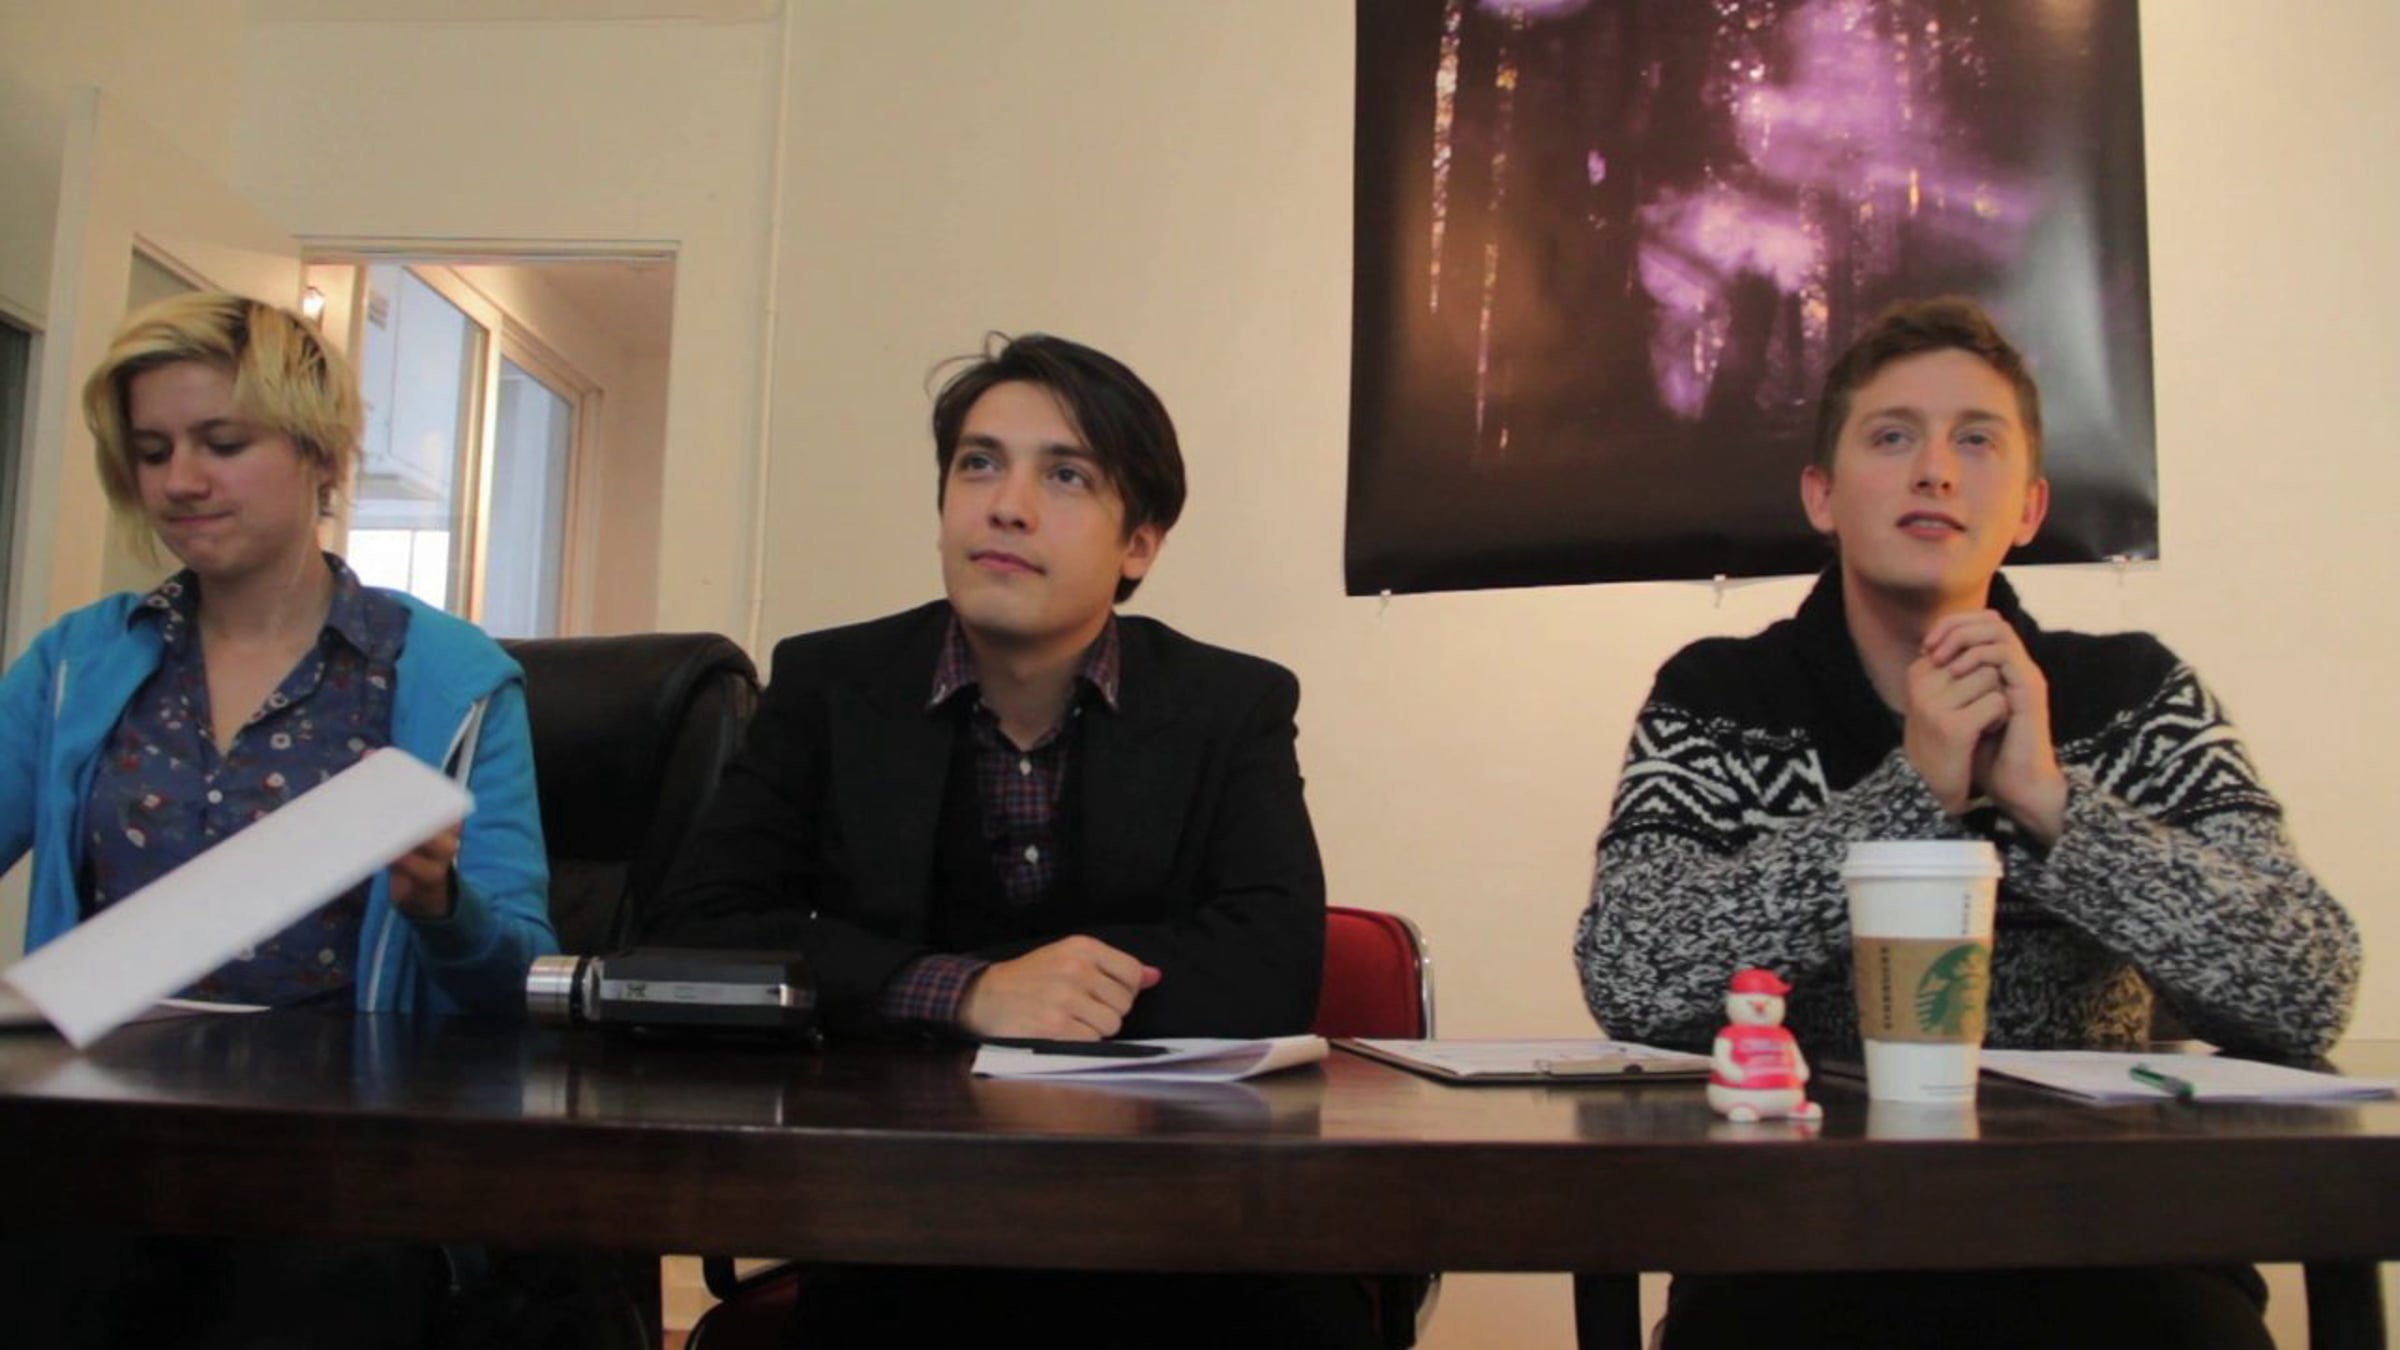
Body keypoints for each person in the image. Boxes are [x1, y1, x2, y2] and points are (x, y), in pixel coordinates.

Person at [1575, 296, 2359, 1349]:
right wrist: (1913, 794)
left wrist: (2050, 803)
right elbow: (1631, 977)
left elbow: (2304, 988)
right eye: (1892, 437)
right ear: (1822, 495)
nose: (1936, 471)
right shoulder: (1719, 696)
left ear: (2029, 509)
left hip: (2112, 1252)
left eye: (1976, 440)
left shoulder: (2132, 692)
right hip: (1793, 1253)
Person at [647, 333, 1372, 1347]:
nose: (1007, 505)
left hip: (1186, 1226)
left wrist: (1060, 991)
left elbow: (1274, 961)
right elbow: (696, 927)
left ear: (1139, 544)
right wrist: (966, 990)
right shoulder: (831, 687)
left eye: (1065, 475)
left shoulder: (1229, 704)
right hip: (905, 1222)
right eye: (978, 464)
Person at [0, 292, 557, 1349]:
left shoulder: (451, 680)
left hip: (345, 1156)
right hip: (98, 1140)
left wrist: (441, 907)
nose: (181, 480)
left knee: (313, 1285)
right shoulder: (76, 663)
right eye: (153, 451)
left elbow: (519, 980)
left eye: (223, 444)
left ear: (318, 453)